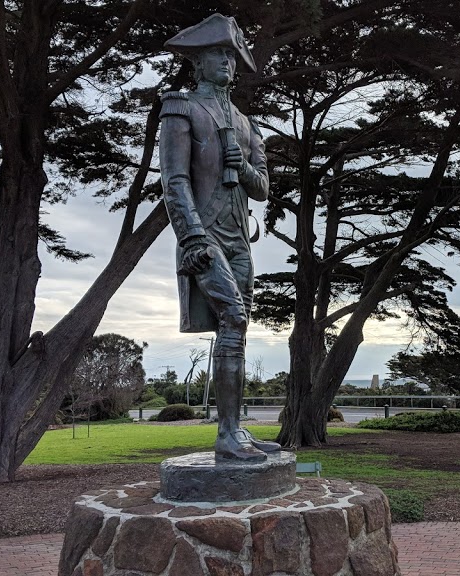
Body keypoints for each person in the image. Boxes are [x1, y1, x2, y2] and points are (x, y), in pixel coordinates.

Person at [159, 14, 280, 462]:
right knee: (232, 316)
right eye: (217, 55)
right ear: (198, 63)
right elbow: (174, 180)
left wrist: (243, 166)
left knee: (239, 327)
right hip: (205, 235)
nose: (226, 63)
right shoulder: (181, 108)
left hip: (240, 242)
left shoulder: (249, 125)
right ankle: (227, 434)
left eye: (230, 56)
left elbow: (263, 189)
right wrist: (192, 237)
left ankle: (234, 430)